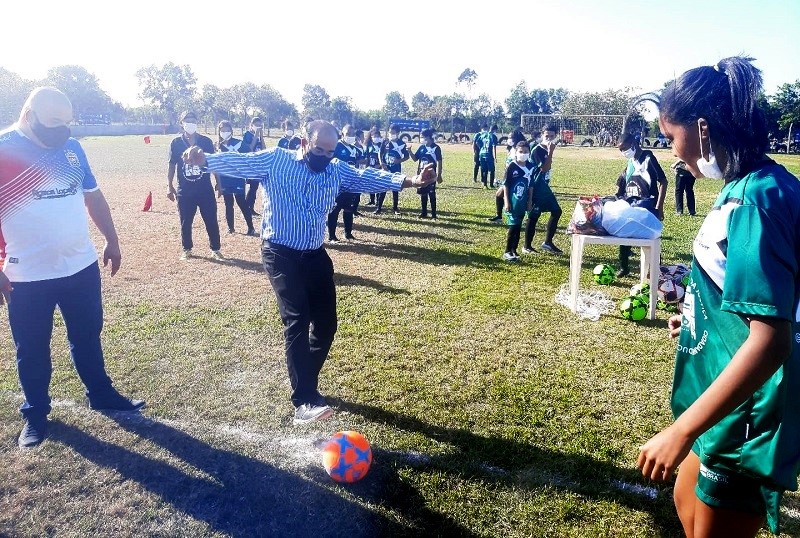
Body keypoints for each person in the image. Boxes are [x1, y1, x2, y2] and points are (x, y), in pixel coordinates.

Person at [636, 56, 800, 538]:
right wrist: (699, 317)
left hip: (745, 415)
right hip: (723, 402)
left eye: (670, 136)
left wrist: (681, 430)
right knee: (686, 503)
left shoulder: (756, 201)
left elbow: (770, 339)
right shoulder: (745, 187)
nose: (671, 151)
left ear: (702, 128)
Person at [182, 120, 436, 424]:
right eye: (319, 150)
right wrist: (206, 160)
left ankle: (305, 380)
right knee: (298, 319)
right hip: (280, 252)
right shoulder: (277, 160)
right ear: (304, 143)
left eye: (330, 152)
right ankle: (303, 400)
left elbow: (366, 177)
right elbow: (241, 162)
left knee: (326, 325)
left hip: (314, 254)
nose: (324, 157)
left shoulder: (335, 169)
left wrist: (411, 180)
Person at [0, 87, 145, 449]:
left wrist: (112, 239)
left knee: (87, 335)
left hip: (81, 266)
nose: (62, 131)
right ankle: (35, 414)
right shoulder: (3, 150)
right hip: (26, 275)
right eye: (54, 124)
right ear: (29, 115)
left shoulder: (72, 148)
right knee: (32, 347)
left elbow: (93, 197)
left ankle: (101, 393)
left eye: (67, 124)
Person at [168, 111, 223, 261]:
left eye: (193, 120)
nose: (190, 123)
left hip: (205, 190)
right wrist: (169, 185)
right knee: (185, 221)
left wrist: (219, 182)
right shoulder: (176, 143)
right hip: (185, 191)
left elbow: (212, 163)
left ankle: (216, 249)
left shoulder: (205, 142)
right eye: (187, 120)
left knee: (211, 220)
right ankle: (187, 249)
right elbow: (172, 165)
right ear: (181, 123)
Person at [612, 132, 667, 276]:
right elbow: (621, 182)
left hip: (648, 207)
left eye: (624, 148)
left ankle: (655, 270)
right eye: (620, 150)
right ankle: (624, 267)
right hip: (631, 206)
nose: (623, 152)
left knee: (650, 238)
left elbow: (663, 181)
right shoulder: (630, 162)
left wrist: (659, 207)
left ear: (634, 144)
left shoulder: (648, 158)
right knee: (625, 235)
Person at [522, 124, 563, 255]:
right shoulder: (538, 150)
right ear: (542, 135)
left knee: (556, 211)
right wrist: (551, 152)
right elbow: (544, 169)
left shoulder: (546, 149)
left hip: (544, 186)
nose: (549, 139)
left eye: (552, 136)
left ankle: (548, 242)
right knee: (534, 215)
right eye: (546, 136)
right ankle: (527, 246)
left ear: (555, 136)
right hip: (536, 186)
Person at [215, 120, 255, 235]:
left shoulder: (239, 143)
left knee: (241, 202)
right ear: (219, 132)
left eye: (227, 130)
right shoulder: (217, 146)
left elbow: (249, 153)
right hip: (224, 178)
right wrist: (218, 182)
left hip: (237, 178)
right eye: (222, 130)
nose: (225, 132)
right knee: (228, 203)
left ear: (231, 131)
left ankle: (251, 227)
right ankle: (231, 228)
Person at [326, 124, 365, 241]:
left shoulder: (355, 148)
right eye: (348, 134)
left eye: (352, 134)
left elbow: (358, 162)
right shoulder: (337, 146)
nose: (350, 136)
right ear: (342, 134)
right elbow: (329, 160)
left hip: (350, 183)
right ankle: (332, 236)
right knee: (334, 210)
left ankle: (348, 233)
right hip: (337, 184)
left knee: (349, 209)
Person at [501, 140, 535, 261]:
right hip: (513, 201)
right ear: (516, 152)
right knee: (513, 226)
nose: (523, 154)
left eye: (525, 152)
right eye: (521, 151)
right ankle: (507, 251)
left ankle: (514, 250)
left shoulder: (531, 167)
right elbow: (506, 185)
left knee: (518, 226)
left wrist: (529, 201)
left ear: (529, 152)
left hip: (522, 201)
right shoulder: (512, 166)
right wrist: (507, 202)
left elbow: (531, 185)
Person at [488, 128, 527, 222]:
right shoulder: (511, 149)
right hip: (508, 177)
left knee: (519, 199)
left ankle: (525, 218)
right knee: (499, 194)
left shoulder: (519, 150)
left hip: (516, 178)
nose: (509, 139)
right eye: (509, 137)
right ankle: (499, 217)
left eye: (511, 138)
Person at [409, 128, 443, 219]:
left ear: (428, 137)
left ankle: (434, 215)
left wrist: (439, 174)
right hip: (421, 174)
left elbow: (439, 161)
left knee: (431, 193)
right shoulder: (421, 148)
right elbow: (415, 159)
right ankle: (424, 213)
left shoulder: (436, 148)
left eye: (422, 137)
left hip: (431, 175)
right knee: (423, 194)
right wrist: (410, 151)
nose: (421, 139)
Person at [375, 124, 409, 215]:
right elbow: (380, 152)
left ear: (398, 133)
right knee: (383, 188)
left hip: (396, 169)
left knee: (395, 188)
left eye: (393, 133)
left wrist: (399, 160)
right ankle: (379, 208)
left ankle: (395, 208)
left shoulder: (402, 144)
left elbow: (407, 156)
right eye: (390, 132)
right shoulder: (385, 141)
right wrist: (382, 163)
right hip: (386, 169)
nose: (391, 134)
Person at [241, 116, 265, 217]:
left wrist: (261, 136)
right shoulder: (247, 134)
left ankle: (250, 208)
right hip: (249, 163)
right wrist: (256, 135)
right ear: (251, 125)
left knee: (254, 187)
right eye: (256, 125)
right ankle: (246, 208)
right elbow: (249, 148)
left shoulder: (259, 135)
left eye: (260, 125)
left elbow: (263, 149)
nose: (259, 127)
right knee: (251, 186)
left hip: (257, 163)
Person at [363, 127, 383, 206]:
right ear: (371, 136)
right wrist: (367, 166)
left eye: (377, 136)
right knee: (371, 183)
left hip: (379, 167)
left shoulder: (381, 145)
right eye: (374, 136)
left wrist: (380, 165)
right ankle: (372, 200)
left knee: (378, 184)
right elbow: (367, 156)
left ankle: (378, 201)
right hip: (371, 167)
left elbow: (383, 156)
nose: (376, 138)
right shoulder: (369, 145)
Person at [475, 124, 498, 188]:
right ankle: (491, 185)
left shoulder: (483, 135)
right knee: (492, 170)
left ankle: (485, 185)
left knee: (484, 170)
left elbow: (477, 142)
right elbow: (494, 146)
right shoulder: (493, 136)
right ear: (495, 130)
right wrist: (495, 157)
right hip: (488, 154)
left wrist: (481, 148)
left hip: (482, 154)